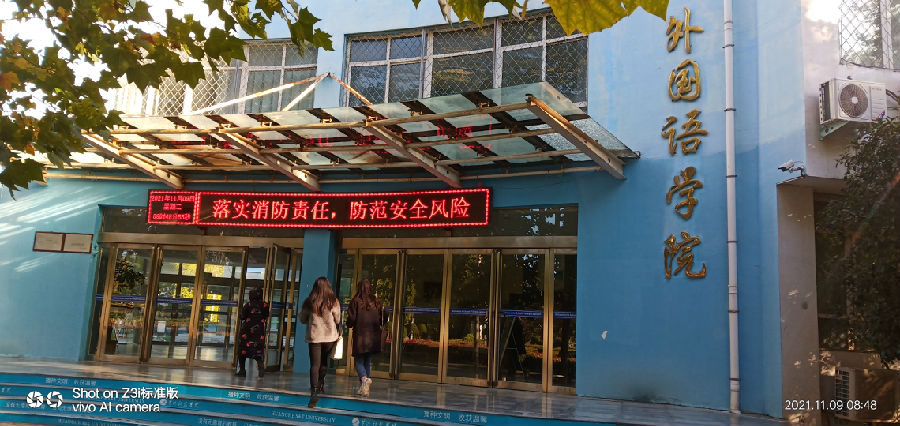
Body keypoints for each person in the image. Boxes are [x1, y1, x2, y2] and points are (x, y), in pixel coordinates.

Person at [299, 276, 341, 408]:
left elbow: (302, 318)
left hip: (315, 337)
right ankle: (321, 383)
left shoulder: (309, 301)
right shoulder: (333, 301)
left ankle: (314, 392)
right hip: (329, 337)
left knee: (314, 365)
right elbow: (338, 319)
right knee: (323, 362)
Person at [346, 279, 387, 397]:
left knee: (358, 361)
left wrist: (348, 324)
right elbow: (384, 315)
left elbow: (351, 318)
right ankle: (364, 388)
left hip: (360, 336)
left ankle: (364, 380)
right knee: (367, 362)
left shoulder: (355, 301)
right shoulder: (376, 301)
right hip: (373, 337)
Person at [236, 287, 268, 378]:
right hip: (259, 331)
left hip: (247, 331)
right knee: (257, 349)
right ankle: (260, 366)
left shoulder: (248, 305)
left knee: (242, 350)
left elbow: (242, 316)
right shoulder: (265, 305)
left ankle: (242, 370)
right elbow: (266, 316)